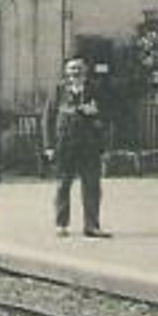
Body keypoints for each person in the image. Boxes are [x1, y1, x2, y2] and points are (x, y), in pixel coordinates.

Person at [42, 57, 109, 238]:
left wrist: (96, 113)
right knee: (63, 185)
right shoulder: (58, 90)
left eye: (78, 69)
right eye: (71, 69)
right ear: (66, 72)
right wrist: (49, 145)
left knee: (92, 186)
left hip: (89, 146)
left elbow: (108, 115)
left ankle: (92, 225)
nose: (75, 73)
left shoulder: (95, 90)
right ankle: (61, 224)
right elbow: (48, 118)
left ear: (85, 70)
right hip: (65, 145)